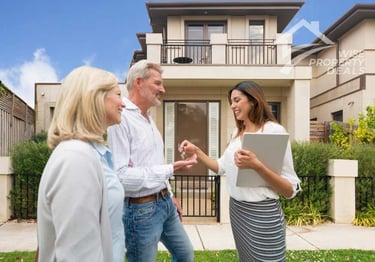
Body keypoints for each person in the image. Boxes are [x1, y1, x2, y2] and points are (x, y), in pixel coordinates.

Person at [179, 81, 301, 262]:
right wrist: (196, 151)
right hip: (237, 210)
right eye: (231, 102)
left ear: (253, 100)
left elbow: (290, 189)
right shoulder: (236, 133)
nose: (232, 106)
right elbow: (220, 166)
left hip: (262, 214)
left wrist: (257, 165)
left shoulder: (273, 131)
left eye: (237, 100)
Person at [107, 59, 197, 262]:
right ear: (139, 82)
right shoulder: (121, 119)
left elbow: (154, 163)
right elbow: (120, 176)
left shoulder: (148, 119)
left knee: (185, 255)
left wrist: (170, 193)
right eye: (157, 83)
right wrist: (171, 169)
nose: (162, 89)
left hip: (165, 203)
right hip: (141, 211)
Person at [36, 66, 125, 262]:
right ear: (94, 98)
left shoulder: (85, 154)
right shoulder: (76, 158)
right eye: (118, 94)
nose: (123, 103)